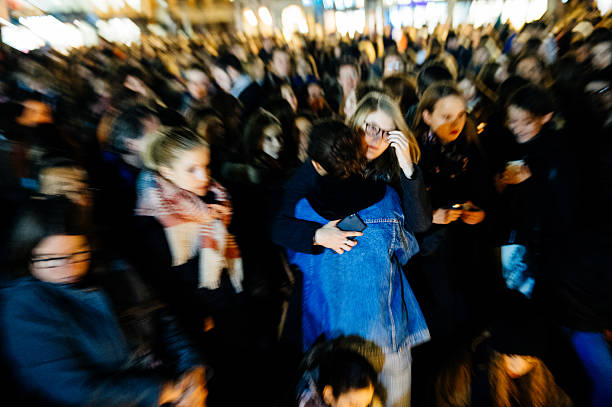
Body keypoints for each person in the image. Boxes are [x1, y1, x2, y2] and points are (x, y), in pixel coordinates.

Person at [2, 197, 207, 407]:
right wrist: (163, 392)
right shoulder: (26, 304)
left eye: (78, 252)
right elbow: (70, 388)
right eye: (50, 259)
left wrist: (192, 370)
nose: (69, 267)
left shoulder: (114, 270)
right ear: (27, 255)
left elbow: (165, 323)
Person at [289, 119, 429, 407]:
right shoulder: (386, 200)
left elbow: (297, 261)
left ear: (315, 164)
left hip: (328, 342)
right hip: (383, 335)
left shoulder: (301, 210)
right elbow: (406, 250)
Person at [272, 92, 430, 256]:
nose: (377, 140)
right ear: (356, 122)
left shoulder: (392, 168)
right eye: (372, 128)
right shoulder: (327, 155)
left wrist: (408, 169)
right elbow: (278, 226)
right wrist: (317, 235)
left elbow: (419, 225)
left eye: (387, 134)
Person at [133, 126, 243, 344]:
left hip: (230, 301)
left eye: (205, 166)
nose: (204, 176)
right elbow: (170, 281)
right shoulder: (156, 219)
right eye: (192, 169)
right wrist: (198, 313)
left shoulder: (215, 197)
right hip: (202, 319)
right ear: (166, 172)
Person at [297, 337, 382, 407]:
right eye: (353, 405)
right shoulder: (307, 402)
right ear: (329, 395)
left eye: (366, 405)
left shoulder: (357, 395)